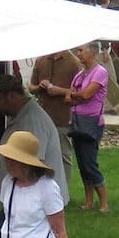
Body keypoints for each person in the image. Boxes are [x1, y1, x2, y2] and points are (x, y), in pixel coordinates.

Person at [42, 42, 111, 212]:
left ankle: (104, 203)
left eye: (81, 50)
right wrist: (76, 96)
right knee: (81, 162)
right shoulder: (80, 75)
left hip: (92, 123)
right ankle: (89, 201)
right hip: (77, 121)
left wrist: (76, 96)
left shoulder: (100, 72)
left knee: (89, 162)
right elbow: (69, 97)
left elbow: (87, 95)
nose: (78, 54)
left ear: (92, 52)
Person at [0, 73, 67, 202]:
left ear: (11, 96)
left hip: (35, 204)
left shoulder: (32, 122)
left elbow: (34, 166)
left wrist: (20, 203)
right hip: (23, 200)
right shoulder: (22, 116)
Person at [29, 48, 82, 195]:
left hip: (62, 116)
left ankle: (62, 192)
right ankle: (41, 190)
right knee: (41, 154)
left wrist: (58, 90)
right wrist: (39, 86)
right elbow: (31, 87)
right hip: (42, 117)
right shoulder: (41, 60)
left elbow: (80, 93)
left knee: (64, 154)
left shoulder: (73, 63)